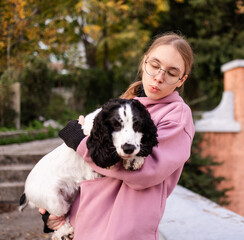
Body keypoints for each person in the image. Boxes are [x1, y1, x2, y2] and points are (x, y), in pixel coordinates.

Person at [39, 32, 195, 240]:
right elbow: (87, 171)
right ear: (144, 62)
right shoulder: (126, 104)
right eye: (155, 65)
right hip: (84, 223)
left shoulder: (176, 115)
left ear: (181, 80)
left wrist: (81, 142)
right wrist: (55, 211)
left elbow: (144, 172)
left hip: (123, 230)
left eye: (172, 72)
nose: (159, 77)